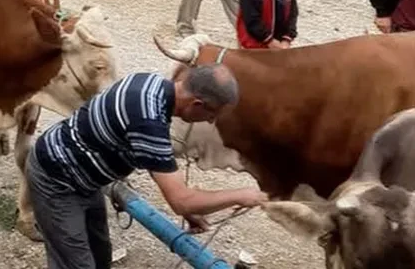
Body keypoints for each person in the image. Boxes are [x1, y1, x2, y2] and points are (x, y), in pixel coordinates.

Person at [29, 66, 266, 269]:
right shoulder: (148, 121)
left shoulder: (151, 85)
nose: (211, 121)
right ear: (197, 104)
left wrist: (188, 208)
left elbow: (149, 156)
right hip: (57, 180)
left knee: (100, 254)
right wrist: (242, 195)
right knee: (76, 264)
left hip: (83, 177)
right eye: (212, 114)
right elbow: (180, 200)